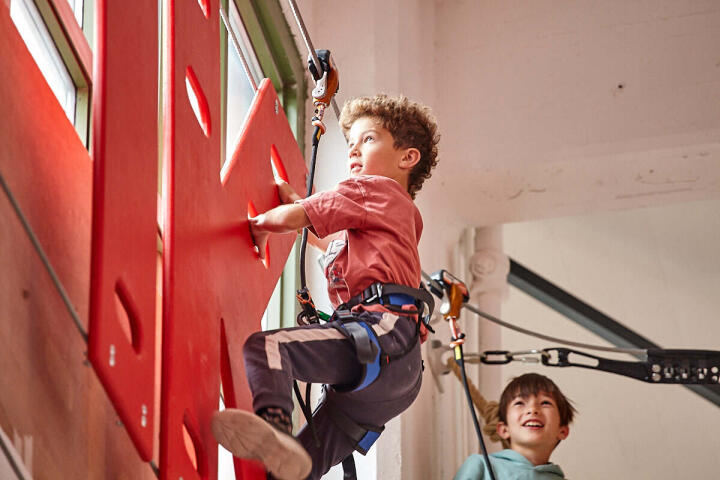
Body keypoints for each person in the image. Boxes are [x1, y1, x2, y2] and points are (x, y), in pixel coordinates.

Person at [211, 94, 440, 480]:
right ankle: (282, 456)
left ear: (407, 157)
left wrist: (261, 224)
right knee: (294, 469)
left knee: (268, 348)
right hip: (398, 374)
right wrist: (299, 205)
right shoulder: (397, 215)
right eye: (350, 143)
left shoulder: (373, 189)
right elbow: (330, 239)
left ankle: (275, 426)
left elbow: (301, 217)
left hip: (381, 336)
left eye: (368, 139)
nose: (353, 149)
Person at [454, 373, 577, 480]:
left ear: (562, 431)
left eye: (545, 403)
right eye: (519, 403)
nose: (532, 409)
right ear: (504, 430)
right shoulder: (480, 465)